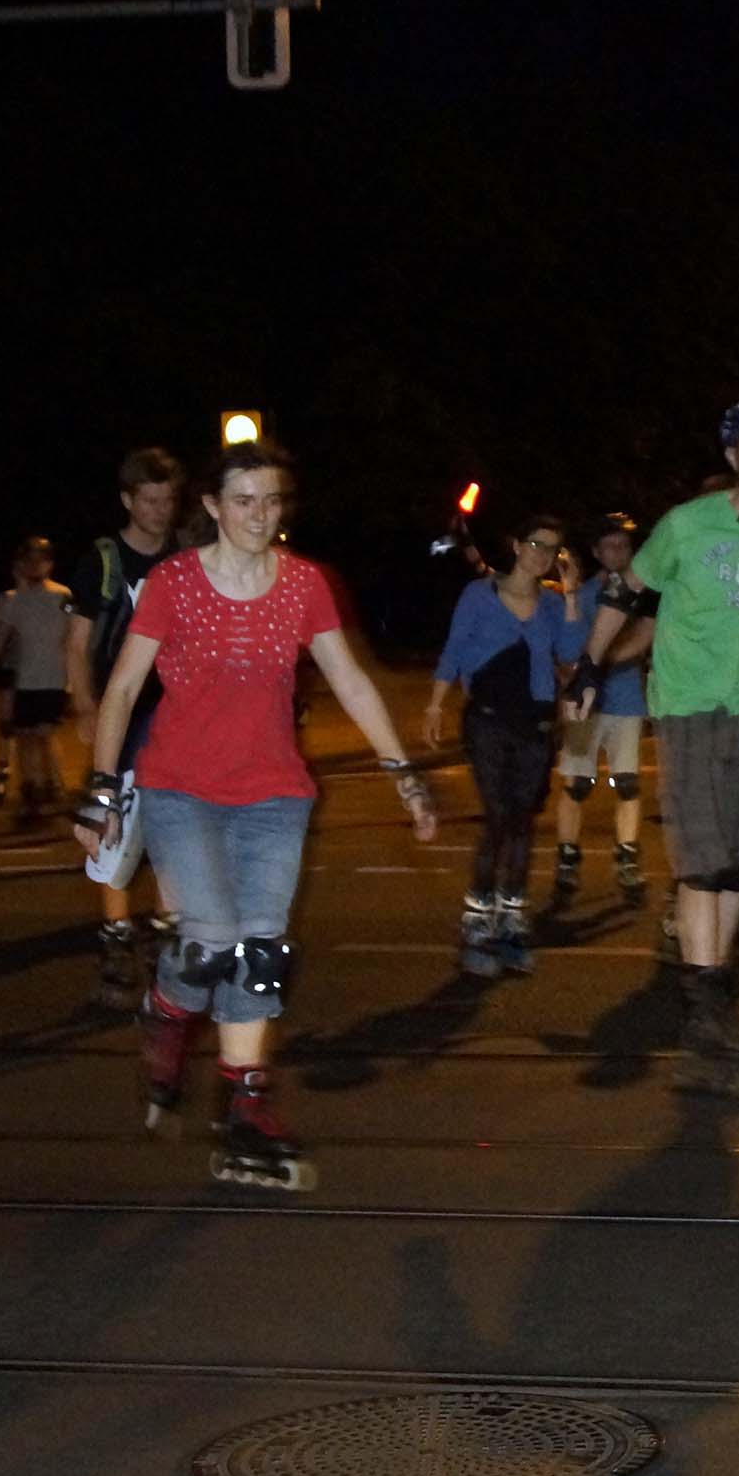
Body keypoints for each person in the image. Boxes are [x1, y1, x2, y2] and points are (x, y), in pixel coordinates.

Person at [73, 441, 439, 1189]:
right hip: (181, 787)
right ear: (212, 506)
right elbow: (122, 689)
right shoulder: (174, 582)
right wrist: (102, 789)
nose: (259, 515)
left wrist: (403, 775)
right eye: (243, 500)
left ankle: (245, 1107)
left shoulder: (303, 583)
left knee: (261, 953)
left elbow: (351, 680)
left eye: (271, 501)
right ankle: (167, 1011)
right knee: (210, 938)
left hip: (274, 793)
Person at [567, 396, 739, 1093]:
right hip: (686, 709)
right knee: (703, 866)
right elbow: (624, 592)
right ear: (733, 458)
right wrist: (591, 663)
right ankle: (706, 1018)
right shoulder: (687, 524)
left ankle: (713, 998)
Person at [425, 514, 579, 976]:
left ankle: (512, 917)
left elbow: (571, 653)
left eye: (551, 549)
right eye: (535, 544)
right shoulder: (480, 595)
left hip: (535, 724)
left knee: (522, 820)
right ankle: (478, 919)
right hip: (489, 720)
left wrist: (572, 594)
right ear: (516, 545)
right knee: (497, 817)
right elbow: (454, 649)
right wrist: (435, 704)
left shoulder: (552, 604)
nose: (542, 555)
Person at [66, 448, 186, 1009]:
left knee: (173, 827)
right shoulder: (104, 559)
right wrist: (86, 706)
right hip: (123, 714)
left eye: (167, 500)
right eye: (150, 501)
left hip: (175, 715)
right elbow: (78, 643)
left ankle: (166, 936)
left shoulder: (184, 557)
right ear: (128, 501)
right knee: (112, 823)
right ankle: (116, 942)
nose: (160, 511)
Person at [550, 514, 649, 907]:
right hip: (585, 704)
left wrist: (596, 662)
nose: (618, 553)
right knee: (577, 784)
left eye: (623, 546)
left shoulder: (642, 594)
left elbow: (643, 639)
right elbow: (570, 648)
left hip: (626, 699)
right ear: (595, 552)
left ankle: (627, 859)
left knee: (627, 784)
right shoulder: (586, 593)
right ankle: (568, 858)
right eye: (609, 546)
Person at [0, 536, 77, 821]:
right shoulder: (13, 600)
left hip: (54, 678)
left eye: (41, 560)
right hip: (24, 679)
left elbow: (76, 635)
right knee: (25, 736)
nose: (35, 566)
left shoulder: (63, 596)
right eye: (29, 560)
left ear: (50, 564)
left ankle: (53, 786)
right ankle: (32, 790)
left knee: (45, 734)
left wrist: (77, 677)